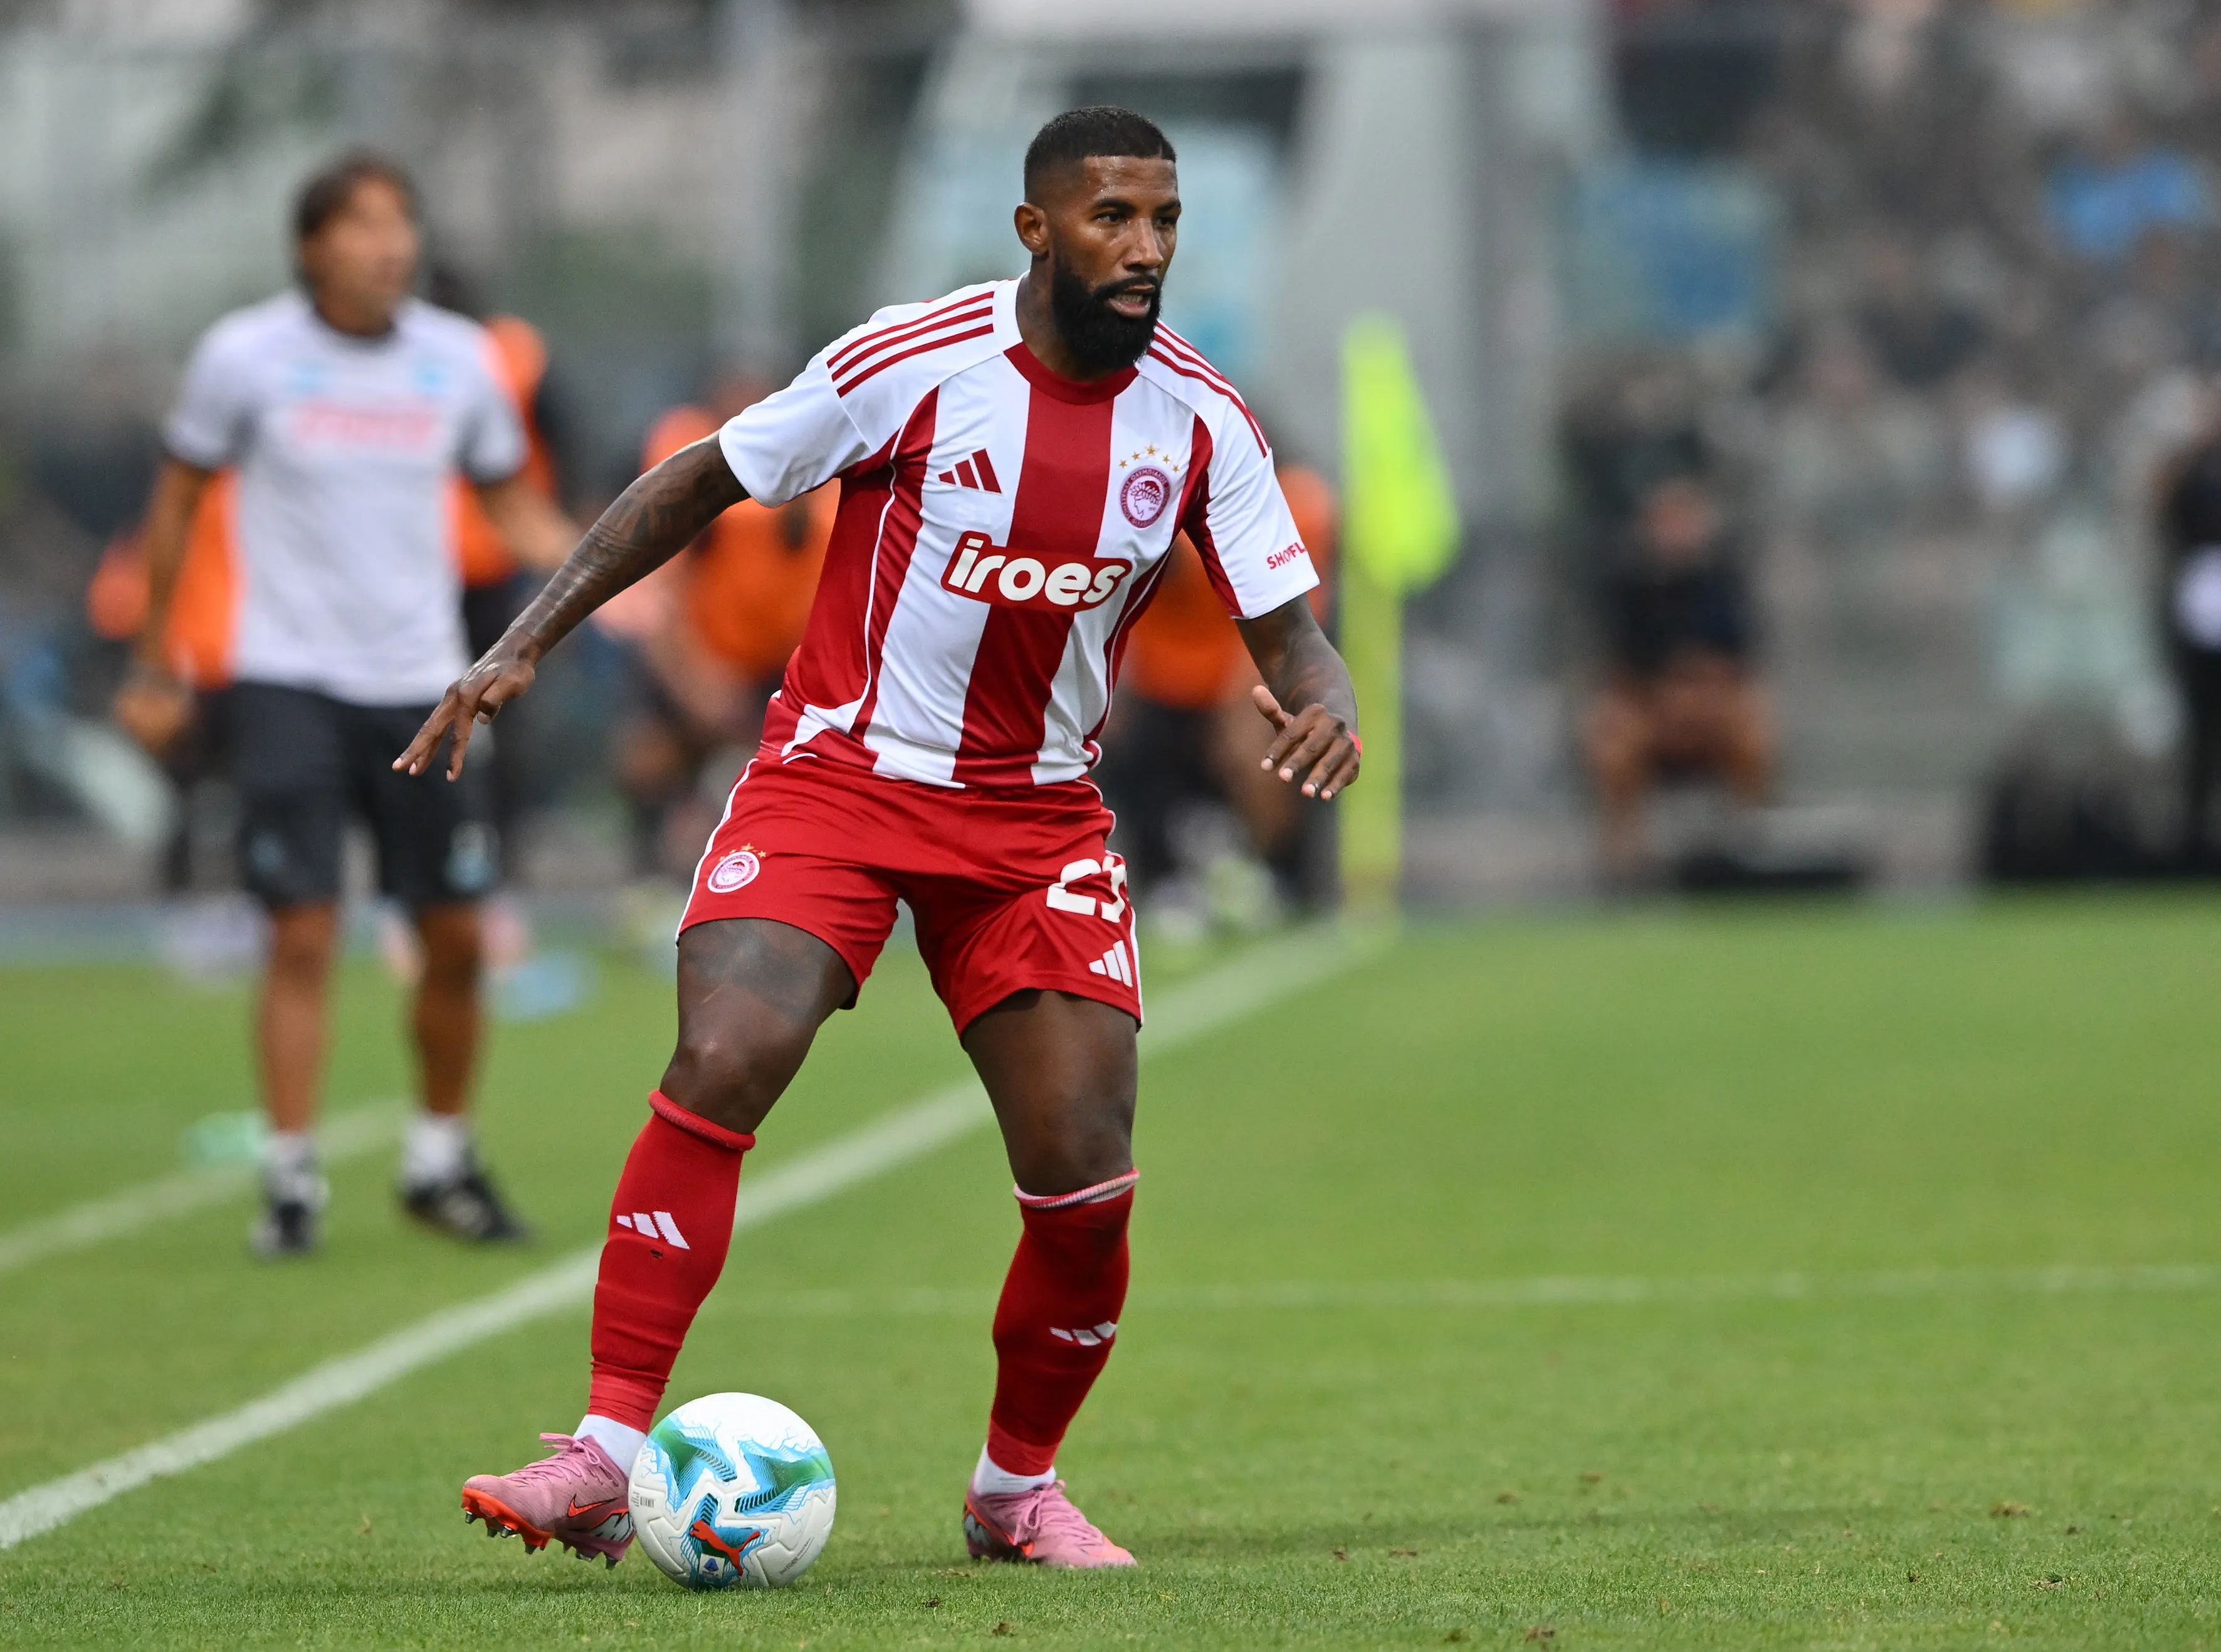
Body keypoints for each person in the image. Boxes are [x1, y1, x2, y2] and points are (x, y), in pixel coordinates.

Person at [405, 106, 1359, 1570]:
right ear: (1038, 228)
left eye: (1163, 221)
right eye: (1113, 217)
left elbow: (1287, 628)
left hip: (1034, 820)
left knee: (1085, 1173)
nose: (1145, 248)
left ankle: (1012, 1490)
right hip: (837, 781)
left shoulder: (1201, 417)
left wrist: (1327, 701)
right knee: (726, 1053)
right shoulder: (912, 360)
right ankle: (602, 1453)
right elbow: (704, 477)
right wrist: (525, 642)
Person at [112, 152, 578, 1256]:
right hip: (286, 682)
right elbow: (175, 509)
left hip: (427, 684)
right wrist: (150, 661)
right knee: (302, 931)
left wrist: (617, 580)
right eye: (366, 224)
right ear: (312, 244)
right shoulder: (244, 356)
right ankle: (288, 1181)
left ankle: (439, 1162)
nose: (392, 244)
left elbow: (514, 507)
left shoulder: (461, 360)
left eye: (403, 222)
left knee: (456, 934)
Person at [614, 376, 836, 882]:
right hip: (702, 655)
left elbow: (826, 613)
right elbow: (660, 604)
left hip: (777, 666)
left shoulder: (825, 503)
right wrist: (698, 684)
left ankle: (779, 876)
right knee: (649, 754)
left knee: (785, 775)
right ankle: (648, 882)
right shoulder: (703, 490)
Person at [1583, 472, 1772, 880]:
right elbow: (1622, 659)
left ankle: (1746, 844)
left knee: (1753, 729)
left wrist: (1698, 685)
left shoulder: (1723, 580)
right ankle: (1624, 857)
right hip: (1649, 707)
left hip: (1712, 704)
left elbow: (1740, 654)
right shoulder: (1628, 584)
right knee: (1612, 739)